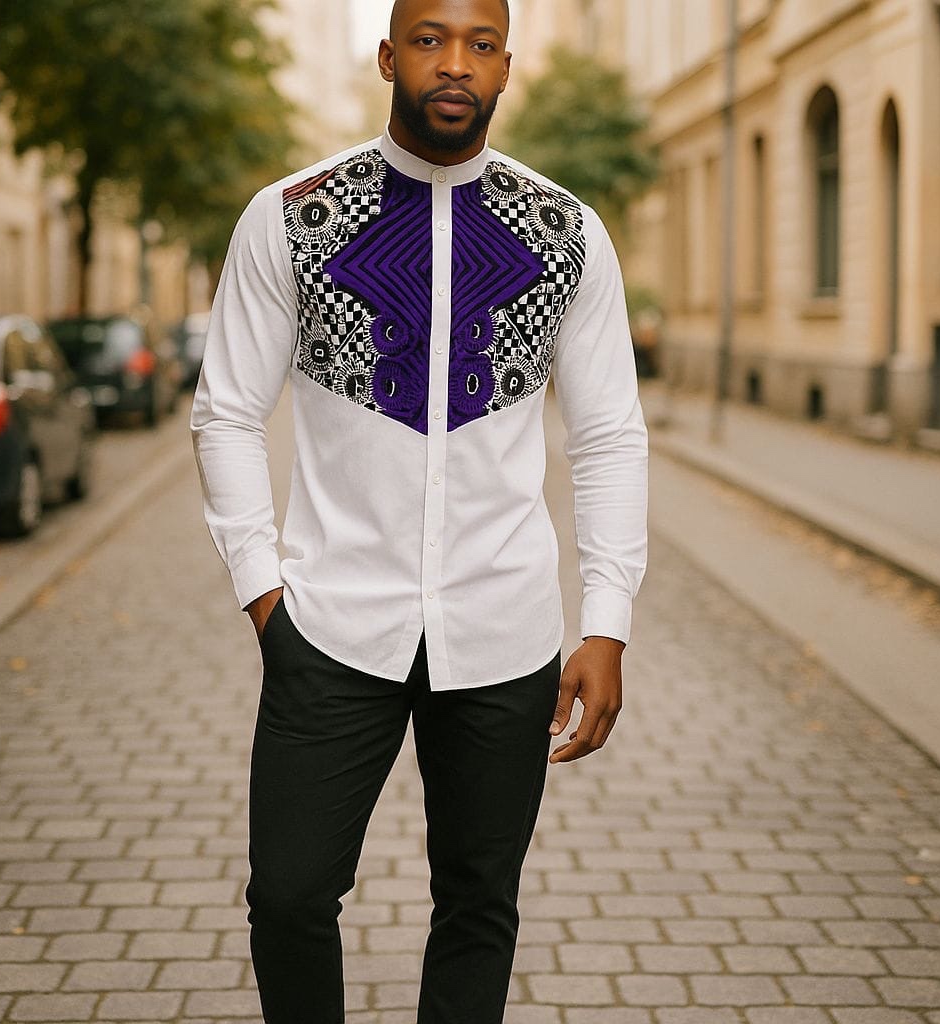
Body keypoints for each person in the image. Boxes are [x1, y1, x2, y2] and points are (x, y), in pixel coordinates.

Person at [191, 0, 648, 1019]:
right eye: (433, 40)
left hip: (505, 628)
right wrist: (265, 596)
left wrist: (606, 620)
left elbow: (609, 435)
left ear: (505, 68)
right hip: (331, 623)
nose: (456, 64)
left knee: (479, 903)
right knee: (291, 892)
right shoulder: (293, 215)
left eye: (480, 45)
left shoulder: (565, 229)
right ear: (389, 54)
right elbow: (224, 412)